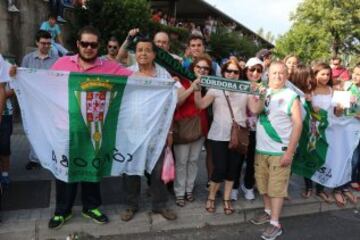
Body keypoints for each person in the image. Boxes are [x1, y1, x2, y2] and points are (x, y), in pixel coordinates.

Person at [48, 26, 132, 229]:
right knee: (66, 169)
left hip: (95, 130)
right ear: (77, 44)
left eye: (93, 44)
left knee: (92, 168)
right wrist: (18, 74)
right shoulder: (62, 63)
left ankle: (91, 207)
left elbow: (135, 80)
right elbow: (43, 84)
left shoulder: (109, 67)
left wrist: (164, 83)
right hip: (66, 129)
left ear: (98, 46)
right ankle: (62, 211)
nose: (88, 48)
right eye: (84, 43)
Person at [192, 59, 265, 215]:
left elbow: (255, 109)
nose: (232, 74)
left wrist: (261, 96)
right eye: (229, 71)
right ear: (223, 73)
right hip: (218, 135)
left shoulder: (246, 89)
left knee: (233, 170)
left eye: (235, 72)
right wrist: (197, 90)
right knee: (219, 168)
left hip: (238, 135)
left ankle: (226, 199)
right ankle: (211, 197)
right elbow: (201, 105)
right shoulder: (215, 89)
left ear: (240, 74)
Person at [120, 38, 177, 222]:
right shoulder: (127, 73)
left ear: (154, 54)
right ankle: (131, 205)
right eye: (139, 50)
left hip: (156, 133)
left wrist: (169, 132)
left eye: (147, 50)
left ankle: (160, 205)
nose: (143, 53)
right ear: (134, 54)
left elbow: (171, 104)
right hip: (131, 132)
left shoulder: (163, 76)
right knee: (130, 171)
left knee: (157, 171)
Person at [249, 61, 302, 240]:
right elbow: (255, 109)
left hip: (280, 150)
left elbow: (298, 125)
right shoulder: (263, 91)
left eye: (281, 73)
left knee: (276, 189)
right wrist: (258, 94)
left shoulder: (291, 96)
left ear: (286, 76)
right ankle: (267, 211)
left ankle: (275, 223)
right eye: (274, 73)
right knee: (263, 185)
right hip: (261, 149)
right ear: (268, 75)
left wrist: (290, 152)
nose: (277, 76)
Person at [173, 54, 211, 207]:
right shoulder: (181, 81)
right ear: (192, 67)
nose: (202, 70)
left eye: (205, 68)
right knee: (181, 162)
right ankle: (179, 192)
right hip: (183, 127)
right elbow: (177, 102)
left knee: (194, 160)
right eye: (198, 67)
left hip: (200, 127)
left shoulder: (210, 84)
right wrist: (192, 88)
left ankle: (189, 189)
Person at [21, 30, 59, 170]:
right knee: (34, 130)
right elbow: (21, 77)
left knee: (51, 130)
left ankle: (51, 157)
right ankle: (34, 158)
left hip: (50, 103)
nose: (46, 46)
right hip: (33, 103)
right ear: (37, 42)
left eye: (49, 43)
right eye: (43, 43)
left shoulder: (57, 60)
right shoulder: (27, 59)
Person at [231, 57, 263, 201]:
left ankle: (248, 185)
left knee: (252, 160)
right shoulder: (239, 85)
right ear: (246, 70)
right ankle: (234, 186)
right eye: (252, 69)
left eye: (259, 70)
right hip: (241, 128)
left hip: (258, 130)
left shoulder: (265, 88)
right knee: (237, 160)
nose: (255, 73)